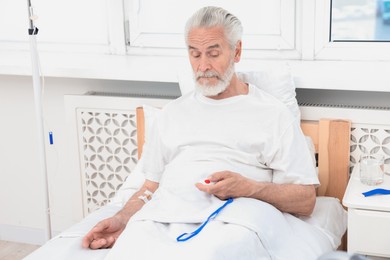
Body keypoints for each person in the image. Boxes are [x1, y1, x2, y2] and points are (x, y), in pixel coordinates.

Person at [82, 6, 320, 259]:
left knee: (217, 252)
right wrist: (122, 218)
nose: (203, 65)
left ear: (236, 51)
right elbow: (150, 186)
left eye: (213, 53)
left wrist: (249, 188)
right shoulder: (171, 115)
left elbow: (306, 200)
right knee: (130, 251)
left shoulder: (273, 114)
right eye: (195, 55)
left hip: (237, 218)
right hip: (166, 214)